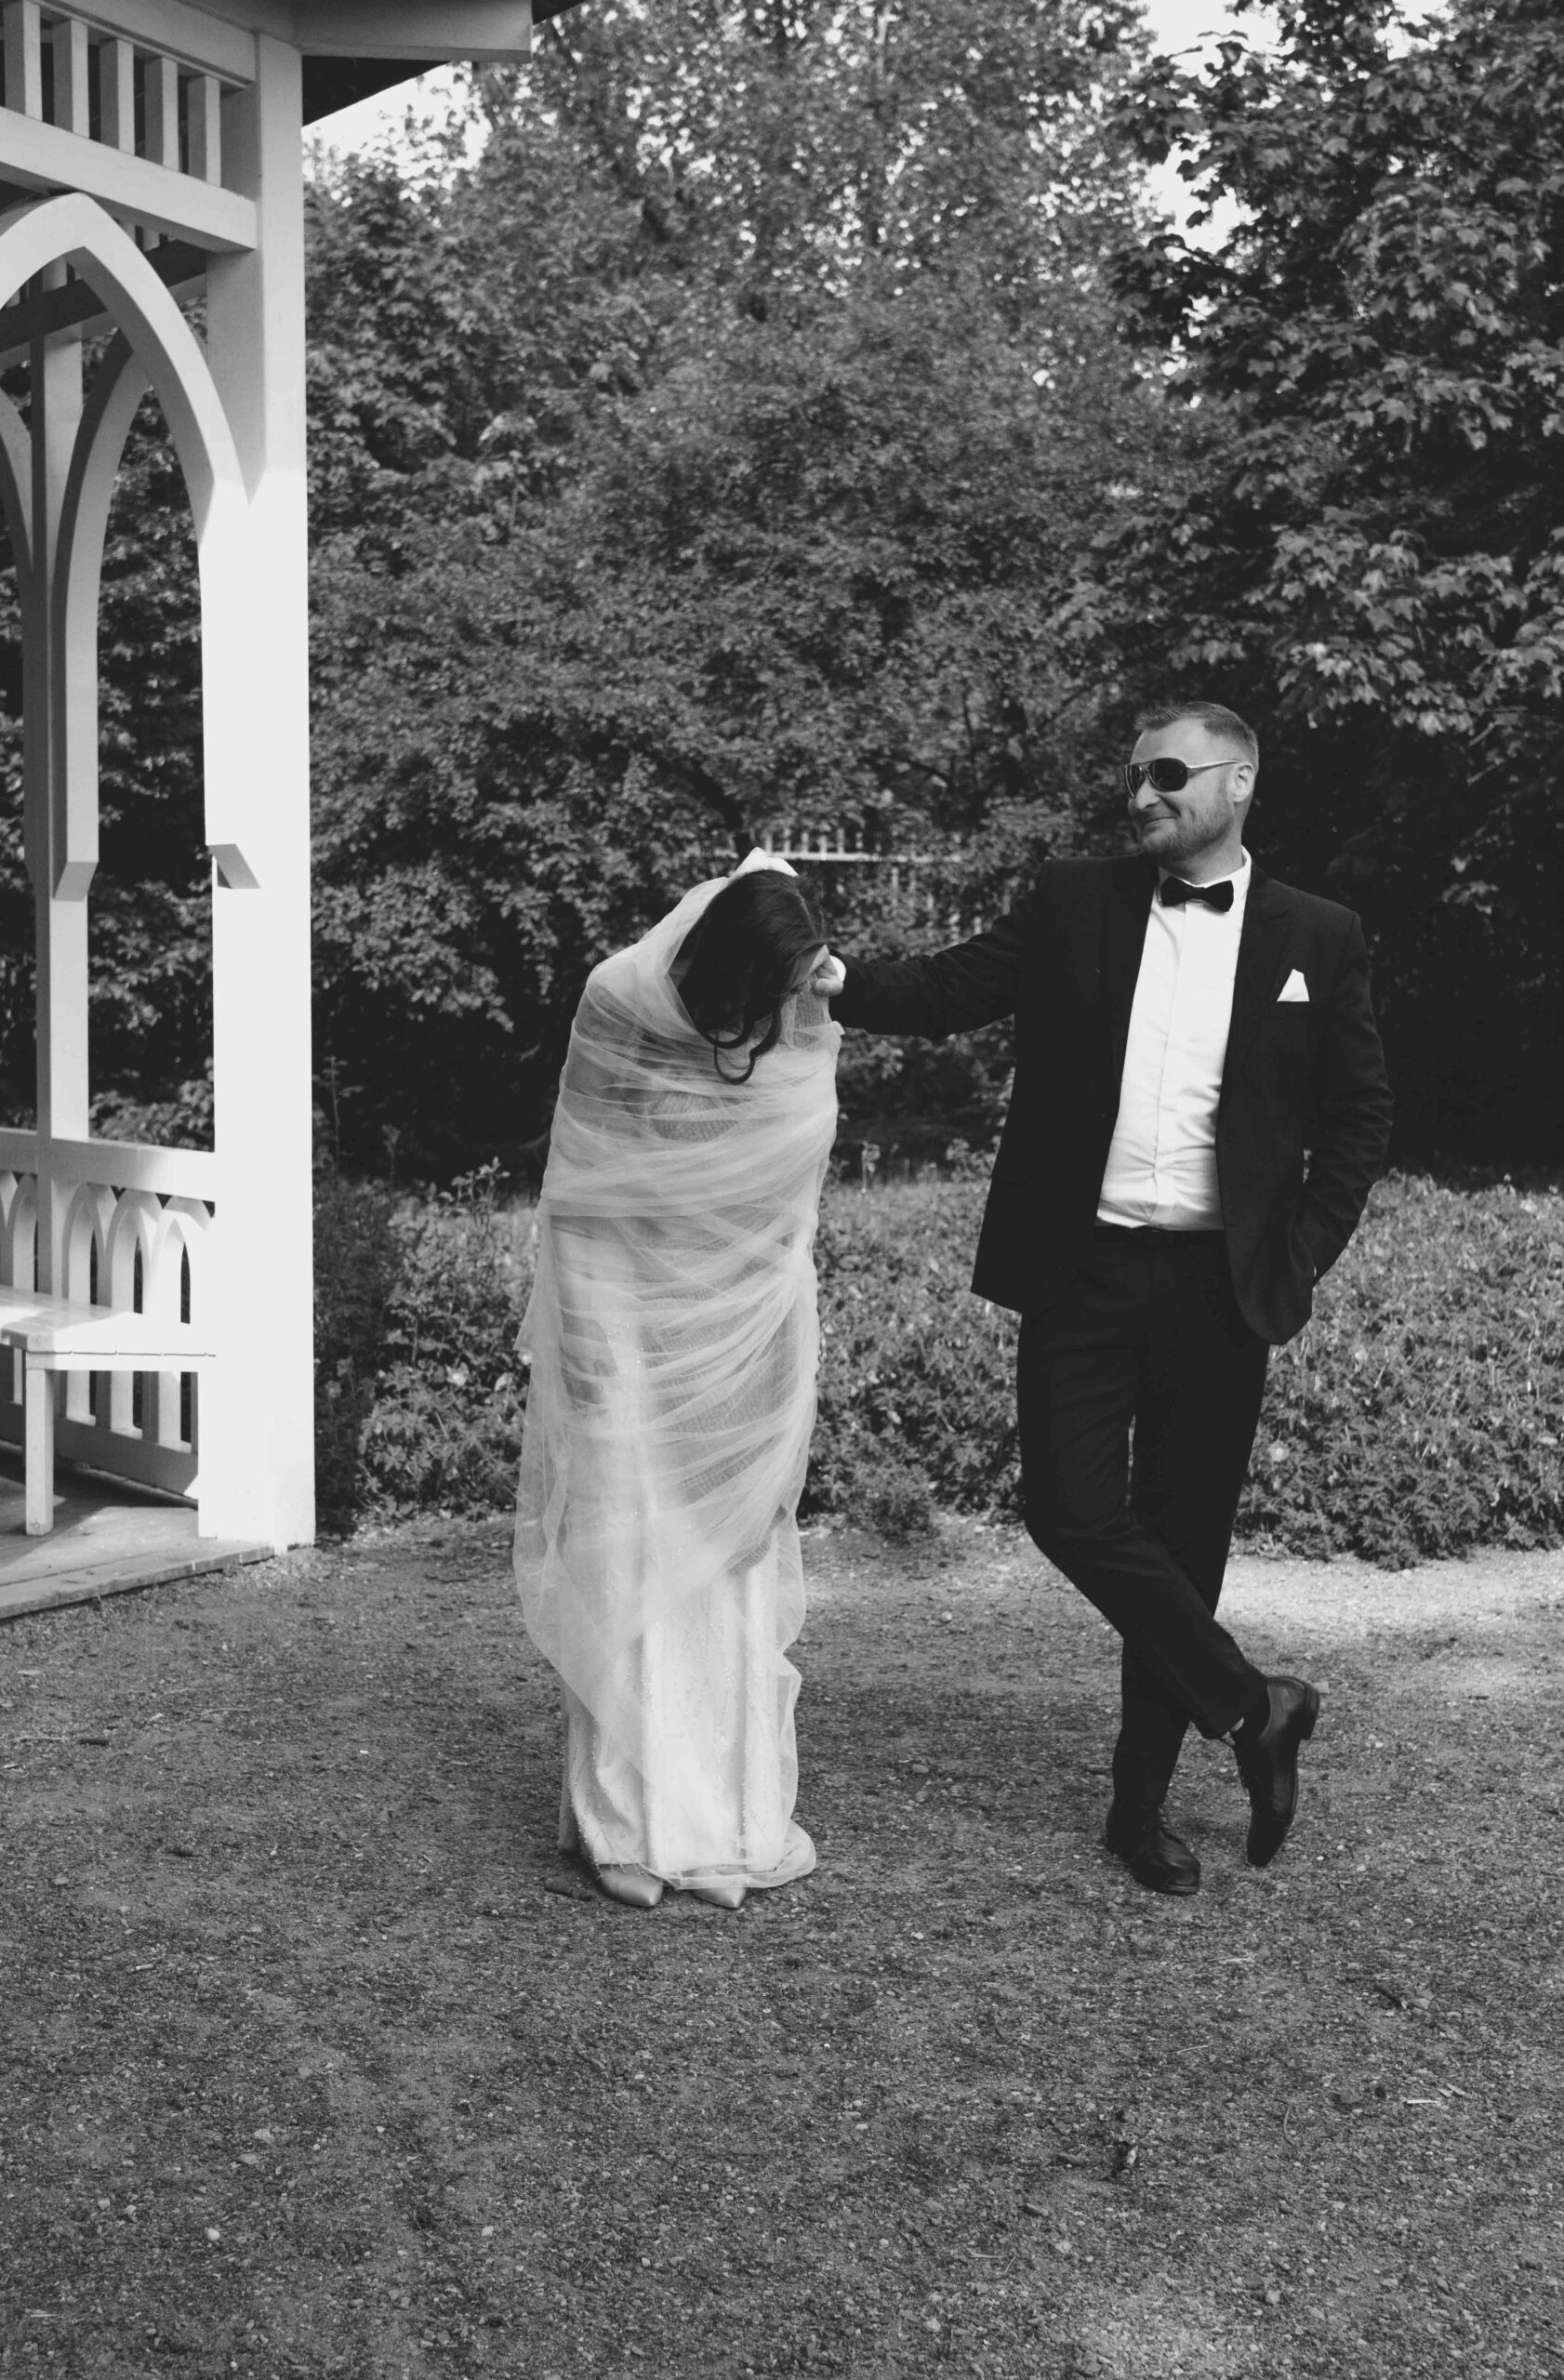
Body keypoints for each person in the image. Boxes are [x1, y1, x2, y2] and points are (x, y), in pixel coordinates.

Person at [825, 702, 1393, 1895]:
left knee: (1184, 1550)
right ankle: (1256, 1705)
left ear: (1238, 782)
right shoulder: (1073, 899)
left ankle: (1139, 1814)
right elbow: (948, 987)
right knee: (1069, 1511)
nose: (1142, 795)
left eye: (1169, 773)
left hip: (1223, 1287)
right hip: (1080, 1268)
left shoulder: (1320, 933)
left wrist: (1296, 1255)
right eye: (1133, 776)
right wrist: (834, 977)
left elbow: (1359, 1118)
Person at [514, 853, 842, 1911]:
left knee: (731, 1562)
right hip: (626, 1309)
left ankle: (731, 1819)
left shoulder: (798, 1008)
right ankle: (624, 1823)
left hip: (751, 1313)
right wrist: (590, 1349)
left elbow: (793, 1193)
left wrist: (778, 1349)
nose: (769, 1022)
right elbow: (577, 1192)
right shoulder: (619, 1000)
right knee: (629, 1557)